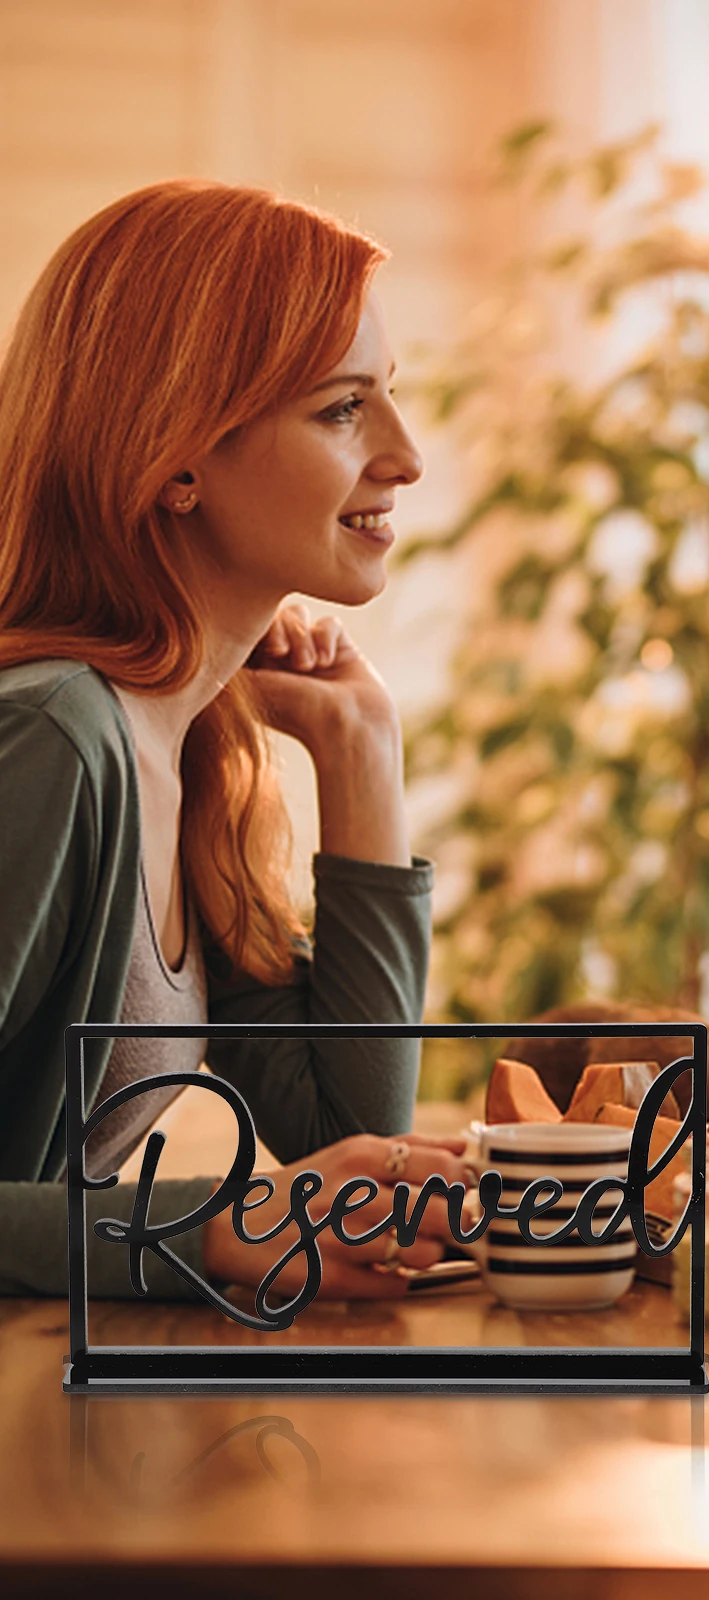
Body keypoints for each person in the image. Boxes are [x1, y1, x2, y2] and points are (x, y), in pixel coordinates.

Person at [0, 179, 471, 1301]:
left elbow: (349, 1136)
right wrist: (205, 1230)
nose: (406, 456)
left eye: (389, 397)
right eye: (343, 408)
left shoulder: (195, 746)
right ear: (177, 458)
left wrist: (360, 749)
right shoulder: (53, 740)